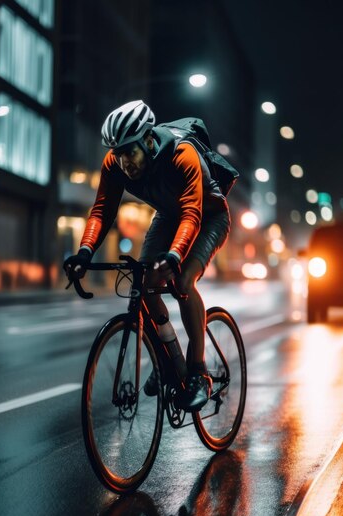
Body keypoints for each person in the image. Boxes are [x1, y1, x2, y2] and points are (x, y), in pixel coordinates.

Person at [63, 100, 231, 411]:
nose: (123, 161)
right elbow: (102, 211)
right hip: (169, 216)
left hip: (208, 217)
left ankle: (198, 374)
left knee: (181, 281)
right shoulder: (114, 164)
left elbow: (192, 214)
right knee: (144, 283)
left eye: (130, 151)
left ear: (148, 140)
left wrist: (176, 254)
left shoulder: (182, 155)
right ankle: (168, 360)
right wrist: (84, 252)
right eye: (118, 153)